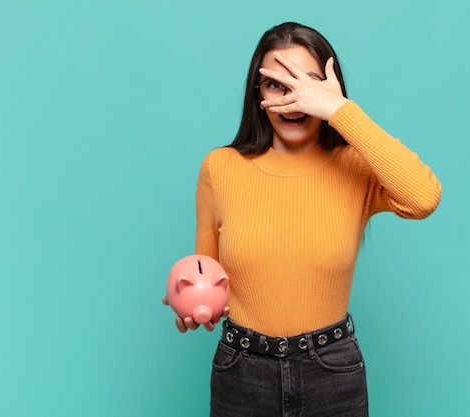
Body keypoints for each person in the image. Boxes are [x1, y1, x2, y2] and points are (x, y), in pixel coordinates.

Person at [163, 22, 442, 416]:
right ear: (257, 94)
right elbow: (205, 271)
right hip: (242, 372)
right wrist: (192, 306)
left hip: (333, 372)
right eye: (277, 84)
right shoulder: (220, 168)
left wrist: (339, 110)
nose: (294, 98)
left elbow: (423, 197)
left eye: (308, 83)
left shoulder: (354, 167)